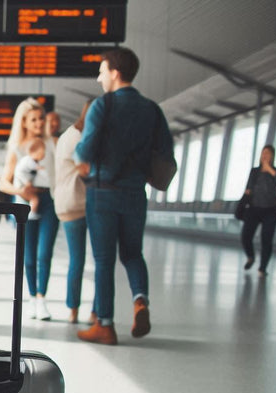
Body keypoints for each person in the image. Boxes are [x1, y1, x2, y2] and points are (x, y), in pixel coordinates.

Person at [74, 47, 173, 345]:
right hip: (135, 193)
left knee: (103, 260)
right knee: (132, 253)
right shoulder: (152, 109)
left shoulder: (103, 106)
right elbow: (166, 153)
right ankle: (140, 299)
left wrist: (82, 155)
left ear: (115, 73)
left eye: (102, 70)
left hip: (103, 192)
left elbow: (85, 150)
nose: (99, 76)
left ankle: (104, 324)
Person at [0, 97, 59, 321]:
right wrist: (21, 191)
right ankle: (33, 297)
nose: (38, 123)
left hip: (49, 200)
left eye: (41, 118)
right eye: (33, 119)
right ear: (23, 122)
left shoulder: (52, 144)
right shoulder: (16, 149)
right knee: (29, 255)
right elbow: (3, 182)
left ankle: (42, 298)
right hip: (24, 202)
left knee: (45, 253)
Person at [54, 99, 95, 324]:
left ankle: (73, 309)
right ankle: (94, 312)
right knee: (97, 259)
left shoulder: (67, 135)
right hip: (81, 202)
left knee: (76, 259)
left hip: (66, 202)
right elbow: (86, 168)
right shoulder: (82, 137)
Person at [240, 144, 276, 276]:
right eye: (263, 153)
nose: (265, 156)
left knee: (266, 238)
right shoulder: (254, 172)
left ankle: (262, 268)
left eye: (268, 153)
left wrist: (269, 169)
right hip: (254, 208)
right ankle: (251, 256)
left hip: (271, 209)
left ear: (272, 156)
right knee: (246, 236)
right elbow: (248, 188)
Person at [14, 138, 51, 218]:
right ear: (33, 151)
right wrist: (27, 182)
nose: (43, 155)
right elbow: (21, 173)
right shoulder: (29, 161)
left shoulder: (30, 161)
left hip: (25, 185)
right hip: (21, 185)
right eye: (42, 152)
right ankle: (31, 213)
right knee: (34, 199)